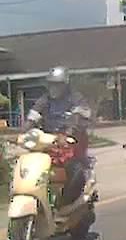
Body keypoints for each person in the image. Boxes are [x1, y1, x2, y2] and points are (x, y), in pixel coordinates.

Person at [23, 67, 93, 206]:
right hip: (48, 142)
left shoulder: (75, 98)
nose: (54, 88)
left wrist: (68, 132)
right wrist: (24, 132)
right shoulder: (45, 100)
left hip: (71, 142)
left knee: (76, 170)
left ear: (65, 84)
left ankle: (65, 203)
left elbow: (79, 116)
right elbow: (33, 115)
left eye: (57, 84)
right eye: (51, 84)